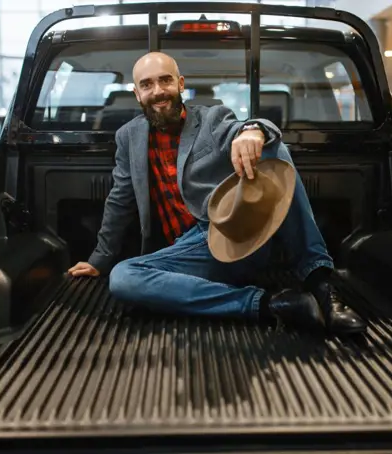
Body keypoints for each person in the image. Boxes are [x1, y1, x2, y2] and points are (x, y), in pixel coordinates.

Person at [68, 52, 366, 335]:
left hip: (233, 233)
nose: (158, 91)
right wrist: (99, 260)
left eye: (165, 80)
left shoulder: (211, 119)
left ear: (180, 84)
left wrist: (253, 131)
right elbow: (120, 199)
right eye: (147, 84)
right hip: (188, 255)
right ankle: (271, 304)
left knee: (274, 148)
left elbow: (249, 129)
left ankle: (321, 284)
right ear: (137, 94)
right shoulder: (128, 137)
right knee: (123, 277)